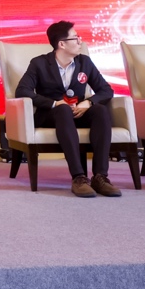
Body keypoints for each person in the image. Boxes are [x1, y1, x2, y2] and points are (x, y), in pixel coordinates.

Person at [15, 21, 122, 198]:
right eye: (75, 38)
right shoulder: (39, 63)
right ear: (62, 44)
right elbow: (22, 90)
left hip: (77, 112)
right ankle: (78, 177)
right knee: (63, 110)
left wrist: (88, 103)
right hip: (51, 115)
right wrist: (54, 103)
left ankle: (100, 177)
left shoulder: (84, 62)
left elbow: (106, 90)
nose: (80, 41)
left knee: (100, 110)